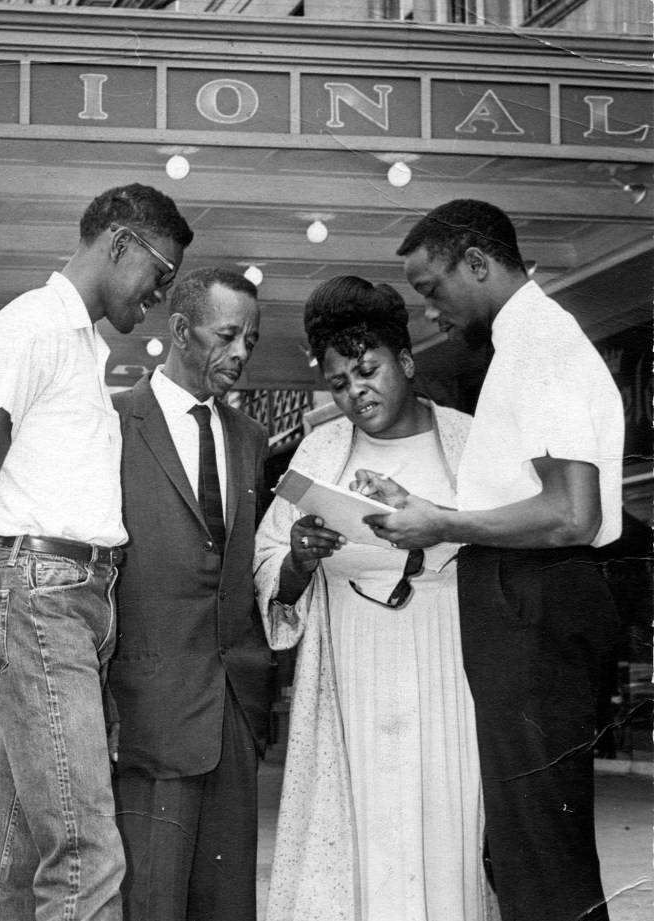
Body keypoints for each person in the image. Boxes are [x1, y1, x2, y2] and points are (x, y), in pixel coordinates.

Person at [0, 183, 193, 921]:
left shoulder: (80, 344)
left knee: (19, 858)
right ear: (119, 246)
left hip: (70, 604)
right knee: (86, 856)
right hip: (43, 600)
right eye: (160, 276)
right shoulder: (33, 326)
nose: (161, 299)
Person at [368, 200, 624, 921]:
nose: (430, 310)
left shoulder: (541, 341)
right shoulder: (526, 344)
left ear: (477, 262)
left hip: (535, 599)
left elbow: (574, 512)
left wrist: (443, 520)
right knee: (525, 840)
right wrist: (432, 509)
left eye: (432, 287)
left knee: (540, 846)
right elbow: (530, 498)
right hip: (525, 597)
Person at [253, 275, 487, 920]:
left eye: (368, 370)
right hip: (352, 666)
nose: (356, 392)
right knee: (364, 824)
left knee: (448, 817)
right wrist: (300, 556)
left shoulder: (467, 439)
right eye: (338, 383)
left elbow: (508, 539)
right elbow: (270, 563)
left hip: (448, 657)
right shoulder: (321, 449)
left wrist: (434, 518)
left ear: (406, 362)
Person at [108, 267, 272, 921]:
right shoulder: (112, 425)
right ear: (179, 329)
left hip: (235, 708)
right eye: (228, 334)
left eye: (252, 341)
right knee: (149, 902)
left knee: (228, 906)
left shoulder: (251, 439)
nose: (241, 353)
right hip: (147, 709)